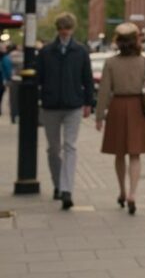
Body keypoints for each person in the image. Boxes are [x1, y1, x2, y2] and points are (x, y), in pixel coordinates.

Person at [95, 23, 145, 215]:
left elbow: (104, 91)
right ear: (136, 40)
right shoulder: (144, 62)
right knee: (135, 154)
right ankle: (132, 193)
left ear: (118, 41)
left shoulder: (111, 63)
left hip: (117, 108)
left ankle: (121, 190)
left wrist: (99, 116)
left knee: (119, 153)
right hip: (137, 107)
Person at [37, 12, 94, 210]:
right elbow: (39, 78)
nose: (64, 33)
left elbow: (87, 79)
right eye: (62, 29)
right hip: (51, 106)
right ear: (57, 29)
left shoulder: (80, 51)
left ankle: (67, 190)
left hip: (73, 106)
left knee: (70, 146)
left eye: (67, 29)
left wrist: (88, 103)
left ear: (72, 29)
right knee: (53, 149)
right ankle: (58, 184)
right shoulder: (46, 52)